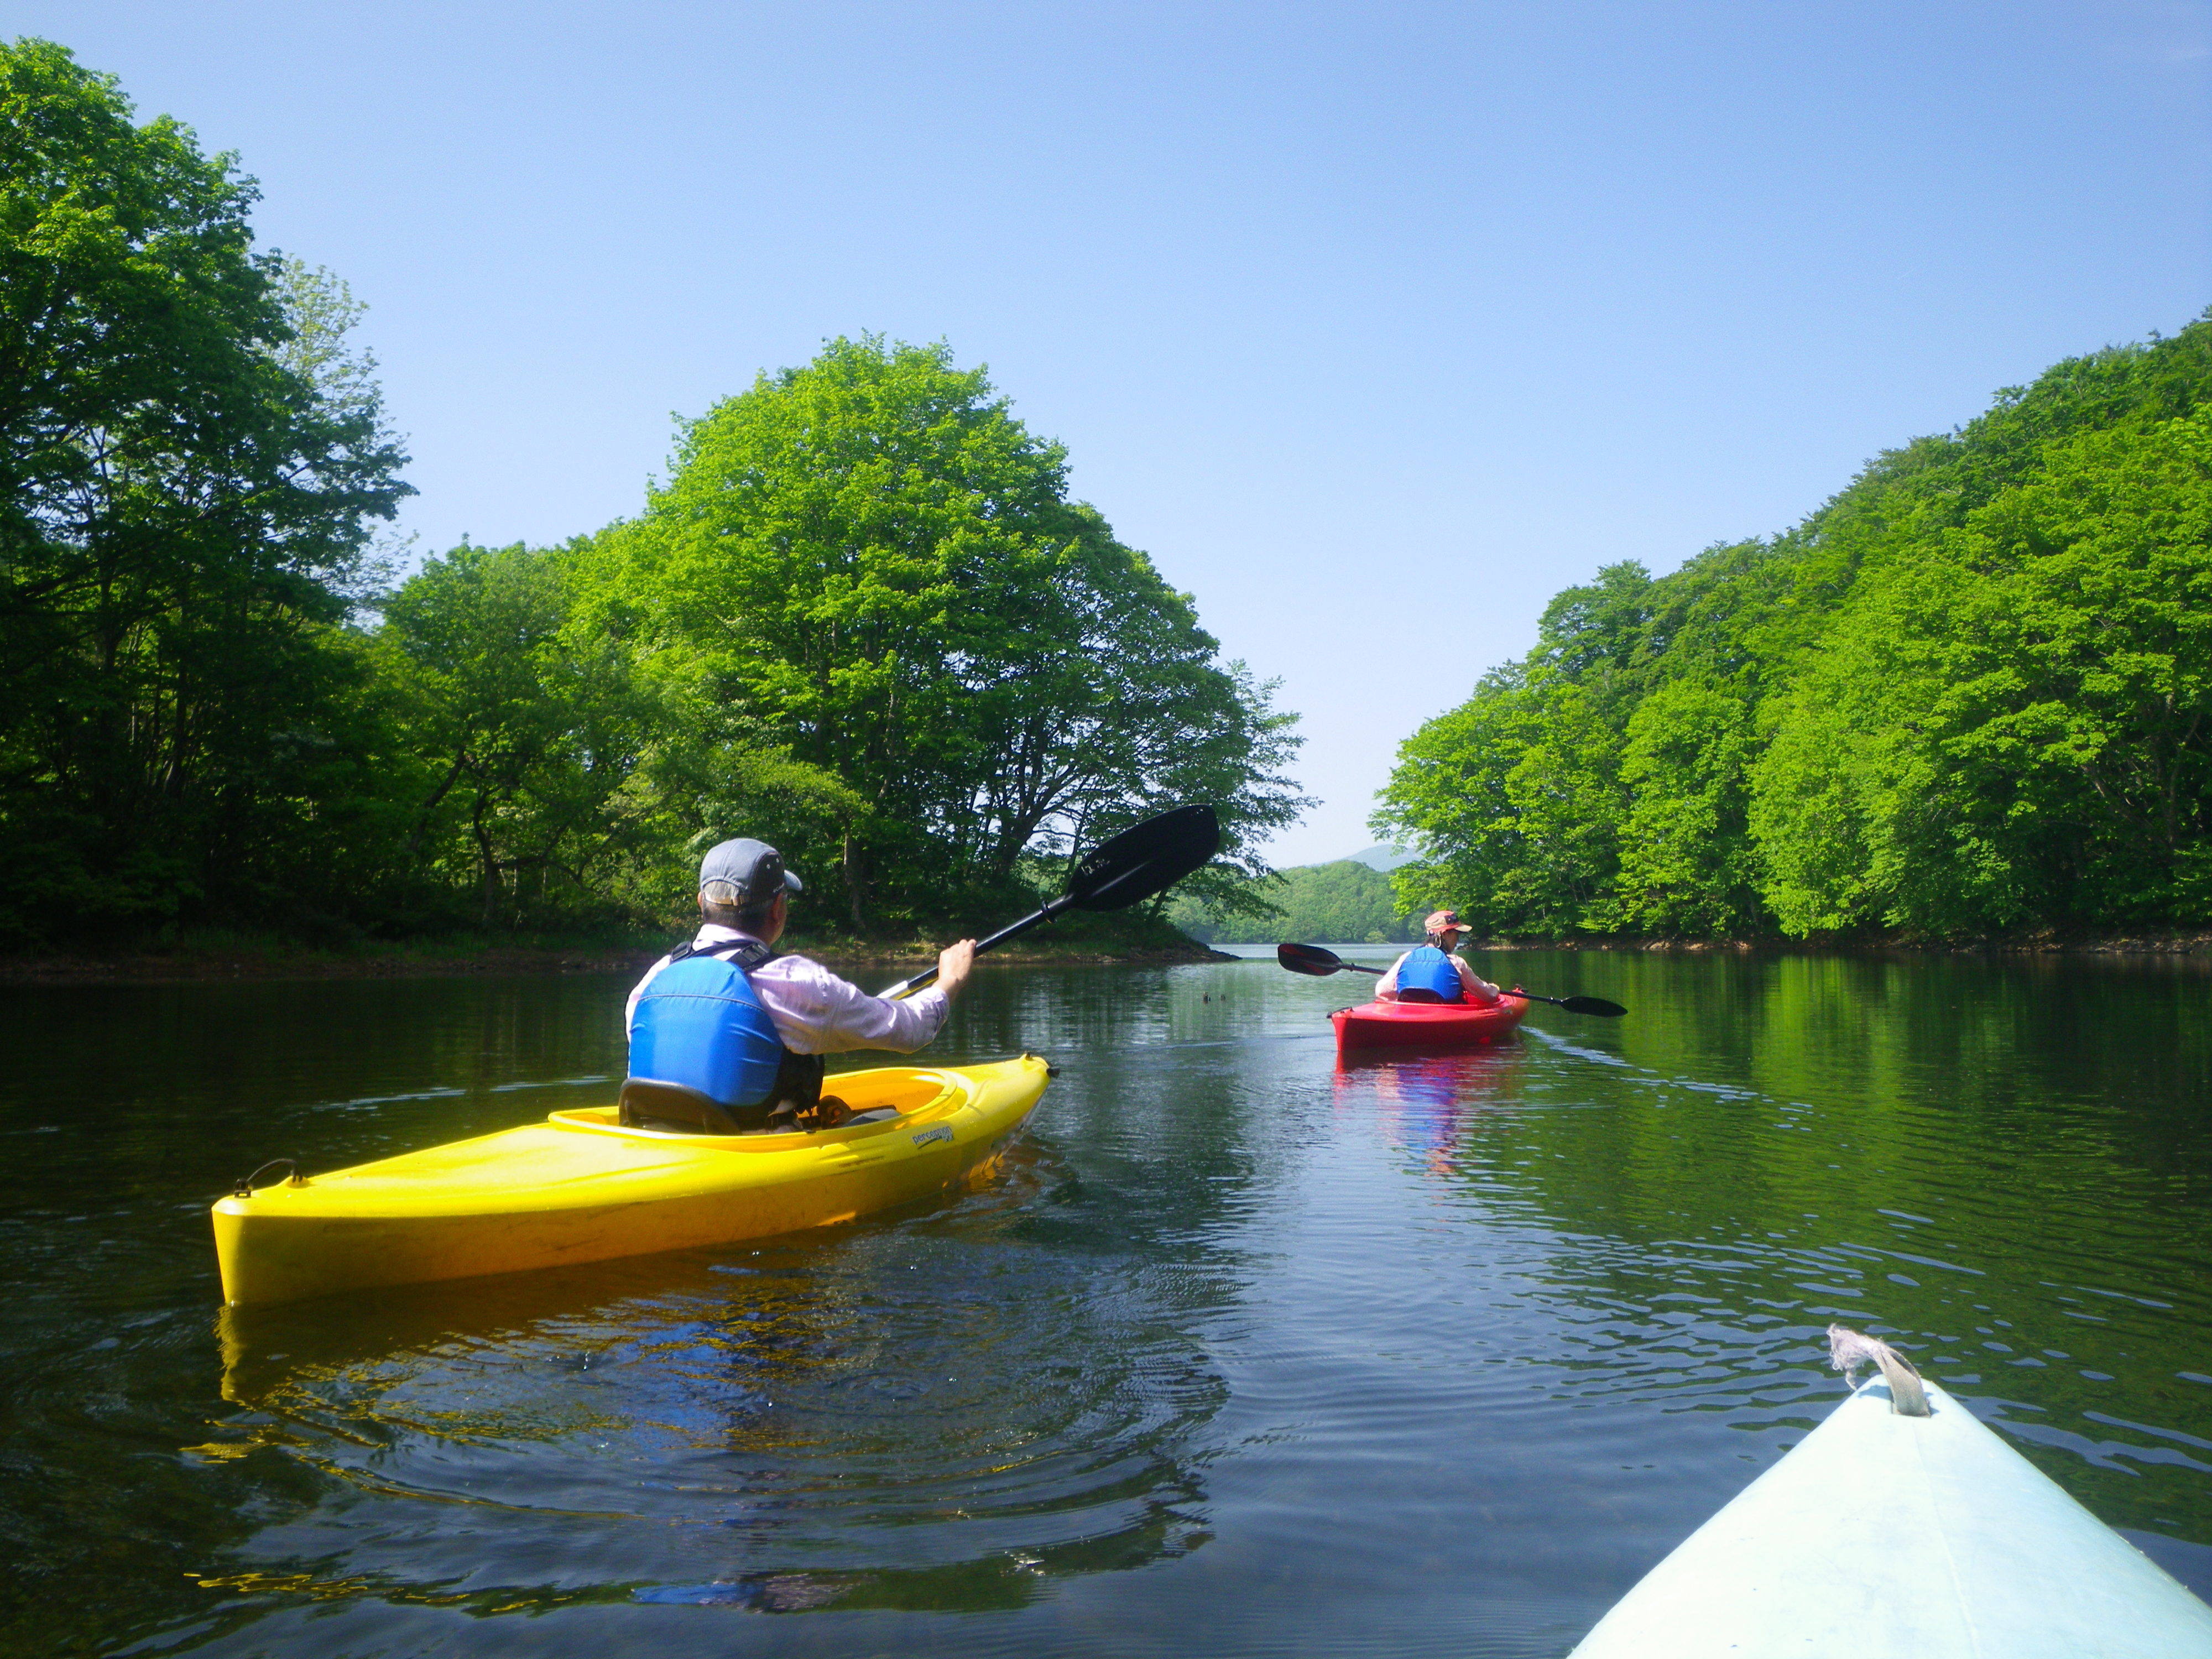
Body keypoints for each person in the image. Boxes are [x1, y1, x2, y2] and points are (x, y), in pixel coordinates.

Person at [622, 837, 978, 1133]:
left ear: (702, 902)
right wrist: (949, 982)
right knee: (889, 1118)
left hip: (659, 1142)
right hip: (755, 1152)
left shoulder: (653, 979)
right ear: (778, 909)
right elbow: (910, 1030)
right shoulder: (797, 984)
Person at [1375, 910, 1501, 1005]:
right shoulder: (1456, 963)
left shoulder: (1406, 958)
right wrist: (1495, 990)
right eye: (1456, 934)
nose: (1458, 939)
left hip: (1410, 1016)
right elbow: (1489, 996)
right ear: (1445, 934)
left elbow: (1381, 991)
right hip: (1446, 1019)